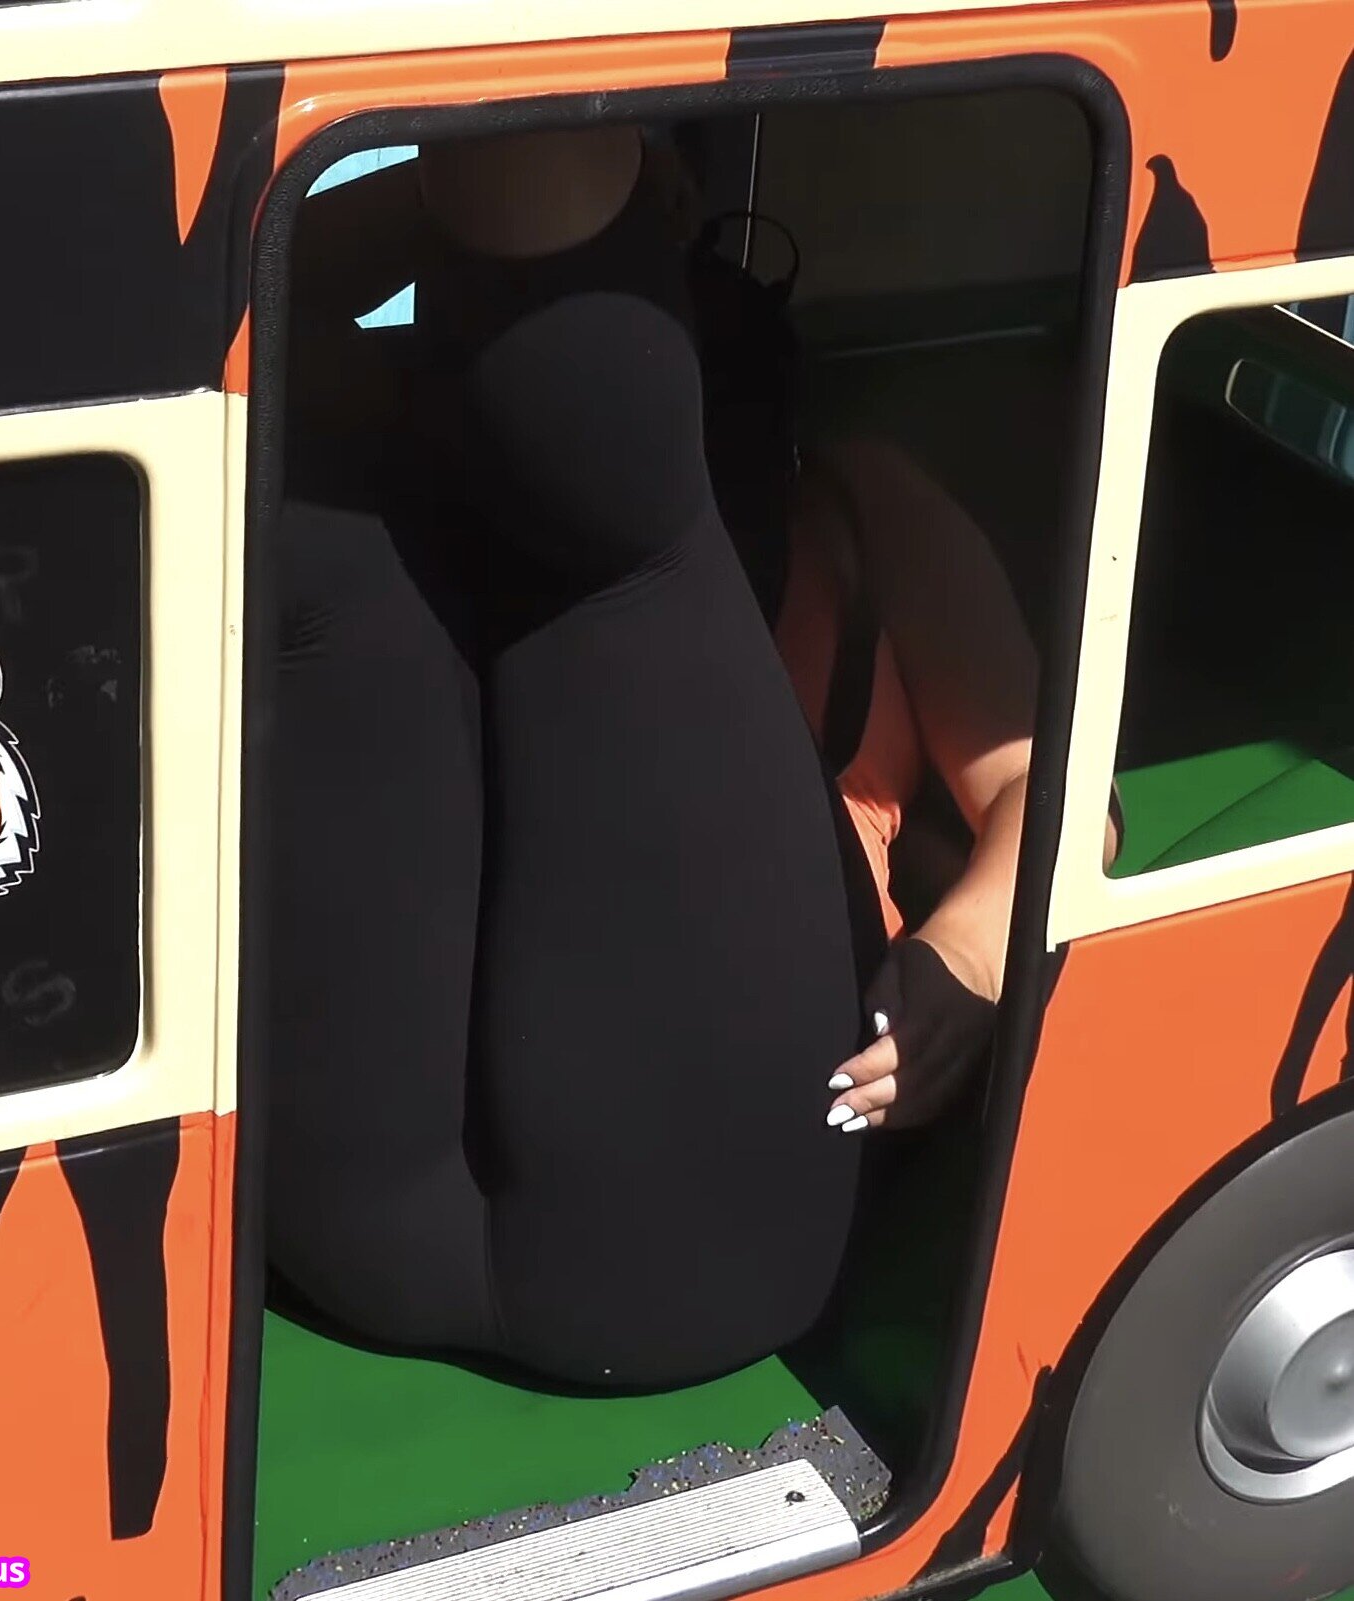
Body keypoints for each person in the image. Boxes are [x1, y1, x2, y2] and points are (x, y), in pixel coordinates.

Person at [266, 123, 1042, 1389]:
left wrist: (969, 958)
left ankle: (536, 131)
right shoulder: (426, 446)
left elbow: (1044, 782)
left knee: (599, 531)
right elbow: (249, 299)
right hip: (352, 1202)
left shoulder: (855, 504)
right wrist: (423, 196)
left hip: (690, 1204)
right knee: (317, 490)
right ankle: (526, 149)